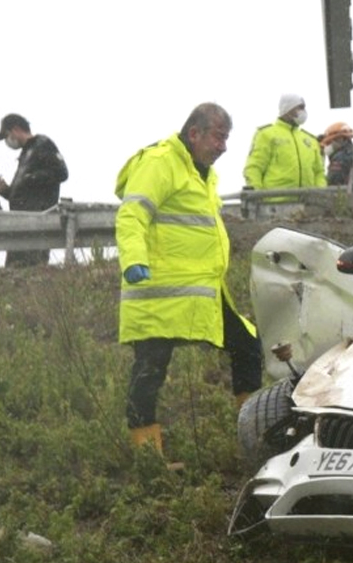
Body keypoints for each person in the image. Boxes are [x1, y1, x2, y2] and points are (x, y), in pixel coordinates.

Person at [114, 103, 263, 455]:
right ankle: (147, 456)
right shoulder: (160, 162)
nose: (223, 147)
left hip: (200, 295)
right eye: (218, 137)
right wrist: (133, 261)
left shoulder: (203, 174)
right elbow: (131, 216)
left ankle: (254, 437)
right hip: (156, 294)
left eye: (226, 139)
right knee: (150, 371)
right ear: (194, 133)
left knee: (247, 345)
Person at [0, 113, 69, 267]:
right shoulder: (25, 154)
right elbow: (25, 194)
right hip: (20, 225)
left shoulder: (42, 144)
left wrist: (31, 178)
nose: (8, 141)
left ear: (15, 129)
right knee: (14, 271)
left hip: (38, 222)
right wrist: (7, 191)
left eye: (7, 135)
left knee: (32, 267)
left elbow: (61, 172)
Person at [243, 93, 325, 200]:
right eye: (300, 108)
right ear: (288, 109)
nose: (304, 112)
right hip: (274, 206)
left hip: (308, 206)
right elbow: (254, 168)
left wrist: (319, 196)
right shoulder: (266, 134)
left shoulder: (310, 140)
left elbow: (319, 172)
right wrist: (258, 197)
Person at [320, 121, 353, 187]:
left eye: (329, 143)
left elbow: (333, 181)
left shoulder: (339, 158)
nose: (327, 146)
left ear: (339, 139)